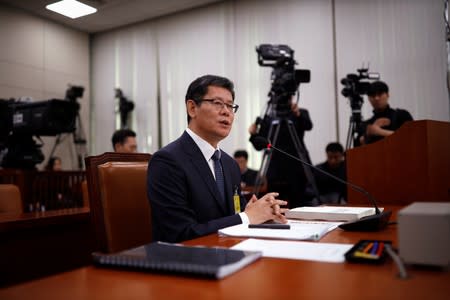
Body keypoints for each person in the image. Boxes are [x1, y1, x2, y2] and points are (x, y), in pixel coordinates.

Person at [147, 74, 287, 243]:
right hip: (187, 262)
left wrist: (256, 211)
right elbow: (180, 234)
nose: (226, 111)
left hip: (229, 253)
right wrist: (246, 217)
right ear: (192, 108)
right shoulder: (167, 161)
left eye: (230, 106)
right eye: (218, 103)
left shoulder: (230, 165)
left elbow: (234, 216)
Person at [249, 100, 314, 209]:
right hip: (276, 170)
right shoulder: (269, 118)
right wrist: (253, 135)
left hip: (297, 166)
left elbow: (308, 125)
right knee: (276, 206)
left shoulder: (300, 113)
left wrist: (298, 114)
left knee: (300, 206)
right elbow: (260, 145)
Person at [359, 81, 413, 145]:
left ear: (387, 95)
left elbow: (411, 137)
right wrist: (367, 134)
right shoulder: (367, 124)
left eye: (380, 94)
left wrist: (379, 132)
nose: (376, 98)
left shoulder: (401, 115)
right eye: (373, 95)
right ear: (368, 98)